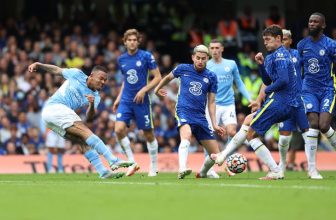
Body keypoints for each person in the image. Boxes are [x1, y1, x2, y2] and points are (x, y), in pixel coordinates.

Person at [212, 25, 299, 180]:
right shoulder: (272, 56)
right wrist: (261, 65)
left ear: (278, 39)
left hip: (282, 101)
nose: (265, 43)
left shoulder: (280, 56)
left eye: (268, 39)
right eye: (264, 40)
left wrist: (266, 91)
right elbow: (267, 79)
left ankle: (275, 170)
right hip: (282, 101)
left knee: (251, 134)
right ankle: (222, 156)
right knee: (247, 121)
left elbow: (284, 80)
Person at [28, 62, 133, 179]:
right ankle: (112, 159)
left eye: (105, 80)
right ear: (92, 75)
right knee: (86, 132)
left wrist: (91, 105)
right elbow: (57, 70)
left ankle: (103, 171)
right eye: (101, 79)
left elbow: (90, 117)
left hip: (51, 118)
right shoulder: (77, 74)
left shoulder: (96, 96)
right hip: (55, 107)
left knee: (82, 140)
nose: (103, 82)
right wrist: (39, 64)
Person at [154, 45, 225, 179]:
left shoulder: (211, 77)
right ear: (193, 57)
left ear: (207, 59)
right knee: (186, 135)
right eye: (197, 58)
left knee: (217, 156)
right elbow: (168, 78)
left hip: (200, 116)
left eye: (203, 59)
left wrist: (215, 124)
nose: (200, 61)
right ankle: (182, 168)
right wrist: (157, 89)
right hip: (183, 110)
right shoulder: (183, 68)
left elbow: (211, 102)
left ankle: (205, 172)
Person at [113, 29, 162, 177]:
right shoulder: (121, 59)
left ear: (138, 41)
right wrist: (118, 98)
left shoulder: (146, 56)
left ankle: (153, 166)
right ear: (125, 42)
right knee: (118, 130)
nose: (132, 42)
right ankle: (132, 163)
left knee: (148, 134)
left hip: (142, 101)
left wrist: (144, 90)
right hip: (126, 100)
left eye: (135, 39)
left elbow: (158, 77)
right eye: (129, 40)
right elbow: (125, 81)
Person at [204, 39, 251, 178]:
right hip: (212, 105)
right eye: (212, 48)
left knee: (232, 131)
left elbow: (239, 83)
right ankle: (208, 168)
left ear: (222, 49)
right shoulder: (206, 65)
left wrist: (249, 99)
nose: (214, 50)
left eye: (217, 47)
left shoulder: (231, 64)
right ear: (209, 49)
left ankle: (227, 163)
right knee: (208, 136)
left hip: (228, 104)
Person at [297, 12, 336, 179]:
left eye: (315, 22)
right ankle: (312, 169)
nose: (311, 24)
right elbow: (298, 69)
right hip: (309, 90)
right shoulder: (302, 45)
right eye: (310, 21)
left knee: (324, 125)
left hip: (327, 89)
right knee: (313, 123)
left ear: (323, 25)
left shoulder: (330, 45)